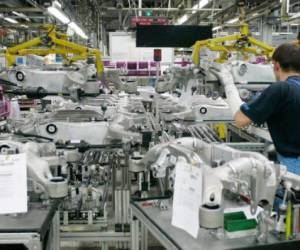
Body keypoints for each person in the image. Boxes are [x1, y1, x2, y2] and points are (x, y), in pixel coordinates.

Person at [211, 43, 300, 174]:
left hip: (294, 167)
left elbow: (240, 120)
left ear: (276, 65)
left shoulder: (281, 89)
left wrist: (228, 84)